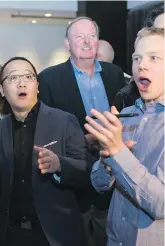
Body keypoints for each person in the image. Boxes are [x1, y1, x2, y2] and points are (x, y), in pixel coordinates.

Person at [0, 57, 89, 246]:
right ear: (2, 91)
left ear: (37, 85)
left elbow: (86, 172)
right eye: (13, 78)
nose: (22, 83)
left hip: (55, 235)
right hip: (12, 234)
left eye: (28, 76)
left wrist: (59, 165)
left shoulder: (64, 121)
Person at [38, 17, 125, 246]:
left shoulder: (115, 74)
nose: (86, 42)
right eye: (79, 37)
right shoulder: (49, 79)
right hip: (72, 184)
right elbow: (45, 132)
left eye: (91, 36)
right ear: (67, 43)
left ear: (98, 41)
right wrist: (82, 140)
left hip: (114, 179)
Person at [85, 27, 164, 246]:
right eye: (137, 58)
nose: (142, 65)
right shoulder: (127, 116)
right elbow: (99, 184)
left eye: (154, 57)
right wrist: (107, 156)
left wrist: (118, 151)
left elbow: (160, 205)